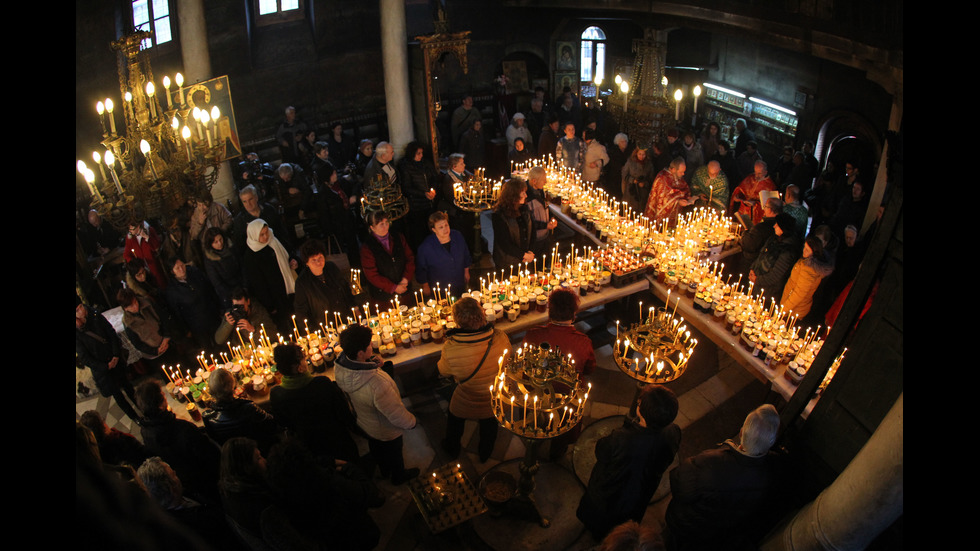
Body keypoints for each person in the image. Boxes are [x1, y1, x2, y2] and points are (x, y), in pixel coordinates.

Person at [665, 404, 789, 551]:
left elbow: (678, 481)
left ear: (742, 432)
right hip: (719, 534)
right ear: (771, 441)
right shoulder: (774, 469)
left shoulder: (711, 463)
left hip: (688, 525)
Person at [577, 385, 680, 540]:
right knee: (628, 521)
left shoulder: (622, 439)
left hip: (610, 494)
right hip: (642, 491)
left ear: (641, 411)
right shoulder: (673, 432)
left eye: (639, 404)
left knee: (602, 524)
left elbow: (602, 452)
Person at [333, 324, 421, 485]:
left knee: (377, 448)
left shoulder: (342, 367)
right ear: (360, 353)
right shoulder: (376, 384)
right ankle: (398, 476)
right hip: (385, 428)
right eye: (369, 346)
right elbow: (394, 413)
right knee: (395, 453)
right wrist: (412, 422)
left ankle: (384, 470)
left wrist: (371, 363)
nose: (372, 346)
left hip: (366, 422)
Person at [264, 437, 382, 551]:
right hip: (359, 536)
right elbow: (372, 495)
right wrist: (349, 468)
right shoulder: (329, 483)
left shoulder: (284, 502)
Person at [524, 288, 597, 460]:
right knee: (562, 430)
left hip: (537, 395)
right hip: (566, 398)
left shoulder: (533, 335)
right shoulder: (583, 342)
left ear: (550, 312)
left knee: (535, 426)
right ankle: (556, 454)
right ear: (574, 314)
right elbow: (589, 369)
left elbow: (525, 365)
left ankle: (533, 448)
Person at [437, 297, 509, 461]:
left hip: (466, 397)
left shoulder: (451, 347)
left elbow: (443, 371)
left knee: (454, 419)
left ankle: (452, 448)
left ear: (457, 322)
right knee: (490, 424)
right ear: (482, 315)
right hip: (494, 397)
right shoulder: (501, 338)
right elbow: (507, 363)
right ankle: (485, 453)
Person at [269, 343, 361, 464]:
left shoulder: (276, 394)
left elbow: (283, 423)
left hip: (309, 448)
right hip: (336, 440)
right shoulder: (321, 384)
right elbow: (343, 412)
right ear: (299, 368)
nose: (306, 361)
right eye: (303, 359)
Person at [135, 380, 222, 505]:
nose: (165, 397)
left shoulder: (145, 431)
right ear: (160, 405)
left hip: (185, 480)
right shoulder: (182, 428)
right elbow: (209, 454)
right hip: (205, 477)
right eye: (163, 395)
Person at [136, 456, 238, 551]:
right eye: (173, 474)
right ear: (171, 488)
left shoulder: (185, 494)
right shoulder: (190, 528)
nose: (176, 473)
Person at [76, 299, 144, 424]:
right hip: (104, 370)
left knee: (128, 387)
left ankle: (144, 410)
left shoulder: (94, 314)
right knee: (118, 395)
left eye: (80, 307)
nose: (80, 311)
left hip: (114, 359)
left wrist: (116, 355)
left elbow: (111, 333)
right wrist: (105, 366)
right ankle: (135, 418)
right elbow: (85, 357)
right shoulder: (78, 332)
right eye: (77, 310)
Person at [203, 367, 281, 454]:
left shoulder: (207, 416)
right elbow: (271, 423)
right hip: (258, 450)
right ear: (233, 385)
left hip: (234, 456)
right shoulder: (248, 408)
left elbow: (215, 441)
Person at [241, 219, 298, 327]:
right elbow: (258, 284)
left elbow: (289, 252)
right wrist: (270, 305)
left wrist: (293, 260)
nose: (266, 236)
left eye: (266, 232)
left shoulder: (274, 239)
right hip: (276, 298)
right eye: (261, 234)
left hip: (291, 290)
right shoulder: (251, 256)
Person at [218, 437, 273, 539]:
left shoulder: (227, 491)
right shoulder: (263, 505)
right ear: (247, 468)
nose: (265, 461)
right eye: (259, 458)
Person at [293, 238, 359, 325]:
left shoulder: (332, 268)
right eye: (313, 260)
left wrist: (355, 308)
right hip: (325, 326)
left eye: (320, 257)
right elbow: (301, 310)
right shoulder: (302, 282)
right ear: (306, 263)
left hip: (346, 318)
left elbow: (345, 289)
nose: (318, 262)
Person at [164, 257, 220, 352]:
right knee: (208, 349)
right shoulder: (172, 291)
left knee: (221, 341)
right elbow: (177, 313)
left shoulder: (195, 273)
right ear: (172, 272)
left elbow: (209, 289)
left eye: (182, 265)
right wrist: (186, 331)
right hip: (197, 326)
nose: (181, 269)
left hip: (211, 316)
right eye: (177, 268)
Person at [360, 210, 416, 304]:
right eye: (381, 224)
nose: (386, 226)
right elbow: (372, 274)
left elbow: (409, 258)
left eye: (386, 222)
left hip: (404, 289)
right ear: (372, 228)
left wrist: (406, 278)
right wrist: (393, 287)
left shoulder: (398, 237)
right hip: (384, 297)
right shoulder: (367, 247)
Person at [415, 211, 471, 297]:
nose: (445, 229)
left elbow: (466, 255)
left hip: (459, 282)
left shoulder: (457, 236)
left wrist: (466, 271)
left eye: (446, 225)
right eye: (441, 227)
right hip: (440, 288)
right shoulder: (426, 247)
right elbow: (421, 269)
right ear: (434, 230)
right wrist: (425, 286)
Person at [398, 141, 440, 250]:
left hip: (429, 204)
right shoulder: (406, 166)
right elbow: (406, 188)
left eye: (422, 153)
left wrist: (433, 190)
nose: (421, 156)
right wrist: (423, 194)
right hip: (416, 206)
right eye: (418, 153)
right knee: (419, 233)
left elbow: (434, 178)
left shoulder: (426, 163)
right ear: (412, 153)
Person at [233, 185, 292, 261]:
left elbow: (281, 231)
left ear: (256, 197)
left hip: (277, 249)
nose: (248, 204)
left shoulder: (269, 210)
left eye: (250, 199)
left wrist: (289, 252)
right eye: (245, 201)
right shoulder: (240, 221)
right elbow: (240, 246)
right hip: (259, 258)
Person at [780, 235, 834, 318]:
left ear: (815, 252)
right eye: (804, 247)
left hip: (794, 311)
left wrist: (783, 310)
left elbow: (799, 294)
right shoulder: (807, 262)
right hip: (793, 307)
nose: (804, 251)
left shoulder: (809, 269)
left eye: (807, 250)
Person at [118, 287, 175, 365]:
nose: (135, 306)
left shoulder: (147, 303)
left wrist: (166, 337)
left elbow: (163, 318)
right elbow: (137, 343)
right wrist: (155, 351)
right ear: (125, 308)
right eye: (131, 306)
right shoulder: (128, 322)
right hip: (154, 355)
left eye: (135, 302)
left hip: (167, 343)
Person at [749, 213, 801, 299]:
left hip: (767, 292)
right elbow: (761, 255)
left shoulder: (788, 251)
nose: (774, 226)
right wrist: (753, 268)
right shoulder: (773, 239)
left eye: (777, 225)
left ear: (783, 229)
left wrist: (757, 280)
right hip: (756, 282)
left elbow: (775, 275)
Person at [79, 409, 150, 467]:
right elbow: (143, 453)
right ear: (103, 425)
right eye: (102, 420)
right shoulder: (123, 440)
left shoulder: (96, 454)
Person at [492, 177, 535, 270]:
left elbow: (532, 232)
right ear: (514, 195)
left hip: (526, 259)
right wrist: (523, 255)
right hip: (507, 263)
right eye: (523, 193)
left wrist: (530, 252)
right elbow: (504, 243)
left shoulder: (524, 209)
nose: (526, 195)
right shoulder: (499, 215)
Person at [214, 287, 278, 348]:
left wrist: (253, 329)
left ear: (248, 302)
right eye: (236, 306)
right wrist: (228, 325)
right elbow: (219, 340)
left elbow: (273, 334)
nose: (239, 310)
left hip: (260, 348)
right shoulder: (231, 314)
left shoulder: (258, 311)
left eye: (241, 306)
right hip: (241, 351)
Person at [201, 227, 243, 310]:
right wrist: (233, 295)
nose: (220, 243)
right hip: (229, 294)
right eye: (215, 242)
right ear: (210, 244)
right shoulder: (210, 260)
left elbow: (241, 265)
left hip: (241, 285)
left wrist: (244, 286)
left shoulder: (231, 248)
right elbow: (217, 282)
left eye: (220, 239)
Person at [645, 157, 694, 224]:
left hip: (675, 213)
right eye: (681, 172)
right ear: (673, 170)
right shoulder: (662, 178)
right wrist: (678, 201)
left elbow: (684, 187)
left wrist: (687, 197)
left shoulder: (677, 176)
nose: (683, 174)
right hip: (663, 217)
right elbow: (662, 199)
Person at [525, 166, 559, 261]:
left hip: (545, 236)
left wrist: (551, 218)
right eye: (543, 180)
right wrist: (545, 225)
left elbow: (545, 206)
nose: (546, 182)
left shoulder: (540, 191)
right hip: (535, 240)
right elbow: (528, 222)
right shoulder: (526, 197)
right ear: (534, 181)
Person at [124, 218, 167, 290]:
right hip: (142, 271)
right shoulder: (130, 238)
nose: (130, 231)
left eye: (132, 229)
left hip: (155, 267)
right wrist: (136, 265)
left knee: (161, 285)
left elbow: (157, 247)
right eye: (129, 229)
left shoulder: (150, 230)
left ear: (138, 226)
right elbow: (126, 255)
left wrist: (147, 238)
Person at [730, 160, 777, 226]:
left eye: (759, 173)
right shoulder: (750, 178)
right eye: (755, 172)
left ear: (765, 172)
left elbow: (770, 206)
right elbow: (740, 190)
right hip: (743, 212)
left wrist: (755, 204)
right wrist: (737, 197)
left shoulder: (770, 186)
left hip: (757, 216)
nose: (756, 176)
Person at [604, 132, 632, 199]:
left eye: (625, 141)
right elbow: (613, 164)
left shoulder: (629, 152)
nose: (624, 143)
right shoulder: (613, 152)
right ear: (618, 142)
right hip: (614, 177)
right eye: (622, 142)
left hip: (625, 177)